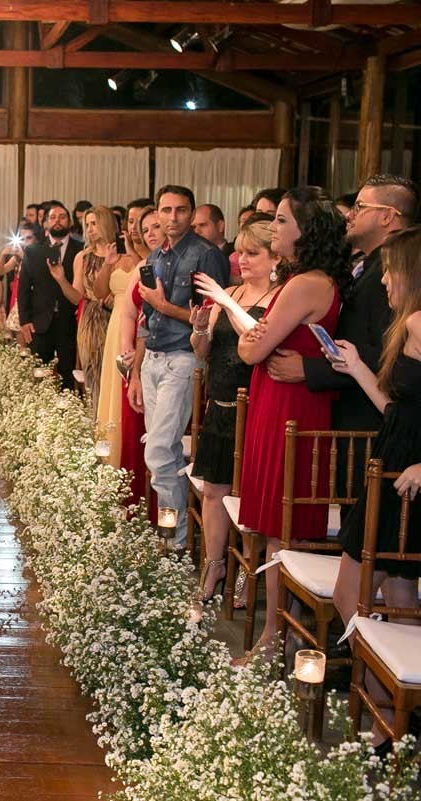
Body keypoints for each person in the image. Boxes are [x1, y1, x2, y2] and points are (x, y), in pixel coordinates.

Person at [233, 187, 347, 657]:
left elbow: (253, 348)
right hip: (278, 398)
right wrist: (251, 342)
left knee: (285, 522)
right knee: (277, 522)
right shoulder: (301, 279)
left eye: (281, 220)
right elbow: (252, 343)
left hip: (291, 407)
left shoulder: (306, 284)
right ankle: (276, 629)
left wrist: (251, 342)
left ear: (307, 230)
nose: (272, 226)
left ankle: (274, 636)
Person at [328, 225, 421, 752]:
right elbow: (398, 414)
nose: (384, 278)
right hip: (393, 466)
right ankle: (398, 724)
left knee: (349, 593)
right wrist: (359, 369)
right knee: (400, 592)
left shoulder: (418, 322)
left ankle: (387, 712)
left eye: (392, 268)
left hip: (405, 478)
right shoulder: (405, 325)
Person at [265, 175, 415, 495]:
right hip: (353, 413)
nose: (349, 214)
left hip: (372, 424)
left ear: (387, 216)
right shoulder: (367, 265)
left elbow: (392, 355)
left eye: (360, 207)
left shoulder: (396, 278)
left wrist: (310, 368)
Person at [134, 184, 230, 547]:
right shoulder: (156, 255)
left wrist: (163, 306)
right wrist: (136, 368)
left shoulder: (206, 255)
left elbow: (216, 319)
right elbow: (146, 317)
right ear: (157, 213)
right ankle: (169, 532)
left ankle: (173, 539)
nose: (172, 217)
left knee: (158, 451)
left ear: (191, 214)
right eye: (166, 210)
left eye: (181, 210)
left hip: (184, 358)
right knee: (164, 454)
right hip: (154, 359)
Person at [189, 214, 278, 602]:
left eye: (253, 253)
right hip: (221, 402)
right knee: (213, 490)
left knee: (250, 497)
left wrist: (225, 302)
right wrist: (200, 331)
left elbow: (258, 340)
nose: (241, 259)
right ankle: (215, 565)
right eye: (240, 251)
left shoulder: (279, 299)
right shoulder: (232, 292)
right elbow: (205, 352)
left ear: (276, 259)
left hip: (257, 406)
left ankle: (248, 571)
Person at [118, 208, 164, 507]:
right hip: (135, 356)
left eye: (155, 226)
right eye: (145, 228)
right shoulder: (143, 266)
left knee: (158, 440)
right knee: (135, 430)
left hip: (160, 357)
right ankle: (134, 501)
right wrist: (126, 353)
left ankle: (159, 508)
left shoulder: (176, 267)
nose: (149, 233)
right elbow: (128, 311)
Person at [14, 202, 84, 389]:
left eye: (62, 217)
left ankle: (67, 414)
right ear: (45, 223)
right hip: (39, 323)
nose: (57, 221)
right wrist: (24, 321)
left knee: (67, 375)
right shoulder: (33, 251)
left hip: (69, 321)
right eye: (52, 217)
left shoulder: (81, 250)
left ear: (69, 222)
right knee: (39, 373)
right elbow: (23, 288)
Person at [93, 207, 141, 464]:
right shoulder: (115, 257)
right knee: (112, 384)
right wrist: (108, 263)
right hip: (116, 325)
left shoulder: (146, 260)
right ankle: (108, 451)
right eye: (130, 222)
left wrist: (135, 256)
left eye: (137, 223)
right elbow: (100, 292)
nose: (132, 229)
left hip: (137, 325)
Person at [76, 205, 121, 415]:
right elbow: (78, 294)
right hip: (92, 319)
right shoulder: (83, 257)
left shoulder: (123, 255)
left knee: (114, 375)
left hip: (117, 317)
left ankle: (112, 425)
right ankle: (96, 422)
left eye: (94, 223)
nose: (90, 229)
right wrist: (60, 280)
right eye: (87, 225)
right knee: (93, 373)